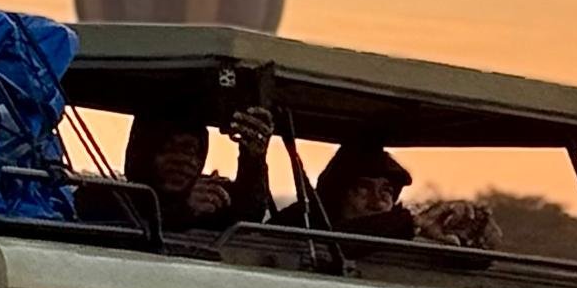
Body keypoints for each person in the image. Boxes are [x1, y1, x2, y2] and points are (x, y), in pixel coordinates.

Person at [110, 107, 274, 234]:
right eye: (169, 149)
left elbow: (248, 216)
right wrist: (182, 210)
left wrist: (253, 159)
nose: (183, 161)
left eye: (192, 152)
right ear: (144, 154)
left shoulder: (210, 200)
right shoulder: (115, 200)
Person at [279, 142, 416, 239]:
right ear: (338, 195)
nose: (377, 203)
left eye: (386, 191)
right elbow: (340, 243)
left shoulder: (402, 241)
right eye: (364, 188)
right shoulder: (301, 225)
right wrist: (410, 223)